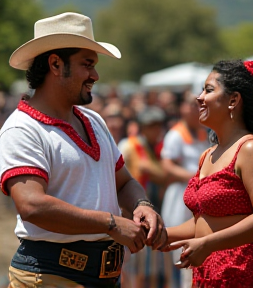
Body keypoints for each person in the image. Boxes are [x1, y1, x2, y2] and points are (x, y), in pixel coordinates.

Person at [0, 12, 166, 288]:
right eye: (87, 64)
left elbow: (124, 182)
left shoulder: (93, 121)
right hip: (49, 277)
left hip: (103, 277)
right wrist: (111, 223)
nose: (95, 75)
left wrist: (142, 205)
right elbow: (32, 205)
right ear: (55, 64)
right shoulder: (22, 128)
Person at [161, 59, 253, 287]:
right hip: (211, 272)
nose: (199, 97)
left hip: (249, 271)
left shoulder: (251, 148)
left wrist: (208, 244)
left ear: (233, 100)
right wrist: (163, 234)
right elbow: (204, 221)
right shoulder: (207, 155)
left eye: (208, 90)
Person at [160, 92, 210, 288]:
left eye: (198, 104)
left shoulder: (204, 132)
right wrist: (194, 177)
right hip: (181, 196)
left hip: (201, 195)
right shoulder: (175, 134)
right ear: (181, 108)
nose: (195, 109)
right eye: (190, 105)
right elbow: (167, 165)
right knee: (181, 247)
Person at [118, 106, 168, 288]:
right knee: (130, 266)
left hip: (151, 209)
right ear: (143, 127)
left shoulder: (155, 147)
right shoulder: (129, 145)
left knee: (147, 267)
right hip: (130, 212)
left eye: (158, 126)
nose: (157, 130)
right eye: (152, 126)